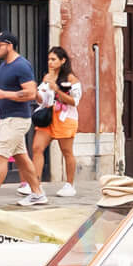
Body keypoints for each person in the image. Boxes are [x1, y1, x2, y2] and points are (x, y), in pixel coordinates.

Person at [0, 31, 41, 205]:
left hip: (18, 119)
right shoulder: (2, 67)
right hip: (7, 119)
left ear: (9, 46)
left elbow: (31, 93)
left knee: (0, 157)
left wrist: (4, 94)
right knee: (21, 158)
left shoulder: (22, 66)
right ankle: (38, 193)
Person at [29, 45, 84, 199]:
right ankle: (36, 184)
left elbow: (74, 101)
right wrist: (35, 93)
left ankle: (69, 184)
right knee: (37, 148)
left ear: (62, 60)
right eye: (49, 59)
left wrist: (57, 90)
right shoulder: (47, 77)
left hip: (65, 119)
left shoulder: (71, 79)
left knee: (66, 152)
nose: (50, 62)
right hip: (48, 118)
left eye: (53, 59)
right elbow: (42, 99)